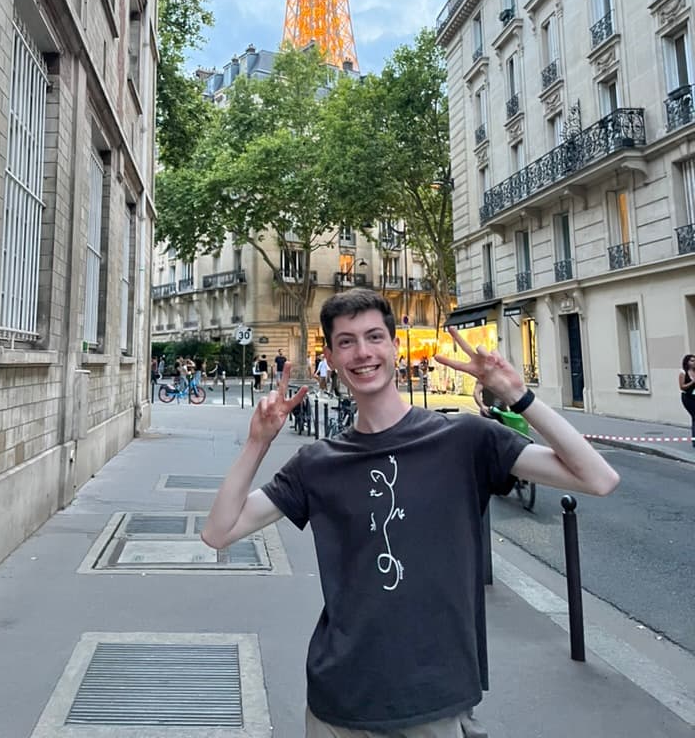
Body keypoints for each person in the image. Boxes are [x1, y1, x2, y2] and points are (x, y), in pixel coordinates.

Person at [202, 288, 619, 737]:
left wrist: (519, 395)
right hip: (337, 704)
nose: (363, 352)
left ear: (395, 346)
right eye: (346, 342)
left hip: (433, 701)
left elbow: (598, 478)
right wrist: (258, 442)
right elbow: (219, 532)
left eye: (374, 337)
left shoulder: (464, 440)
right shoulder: (317, 463)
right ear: (332, 358)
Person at [678, 353, 695, 448]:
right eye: (692, 361)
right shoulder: (683, 372)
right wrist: (692, 382)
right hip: (687, 397)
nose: (694, 362)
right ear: (687, 362)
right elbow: (682, 387)